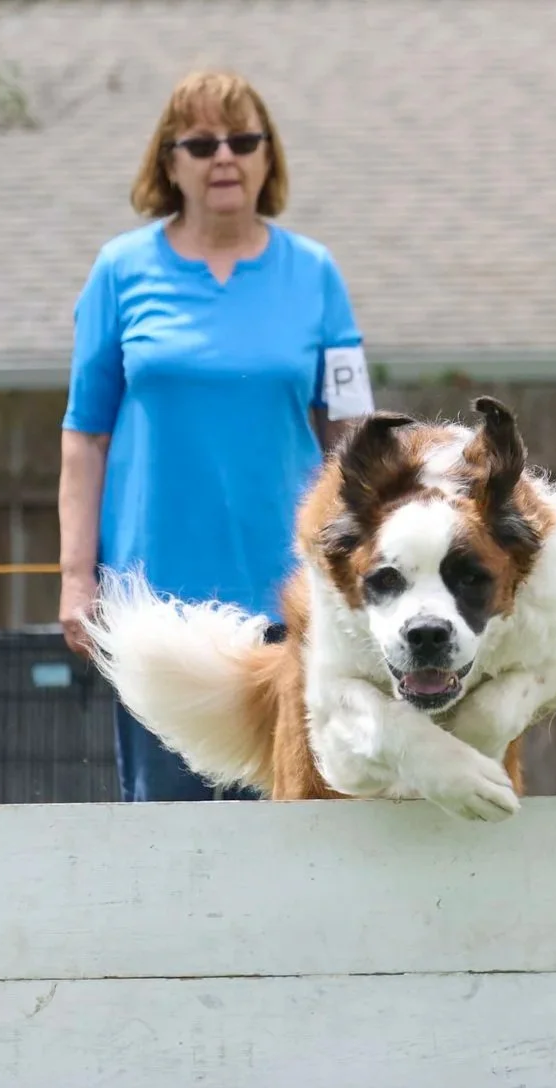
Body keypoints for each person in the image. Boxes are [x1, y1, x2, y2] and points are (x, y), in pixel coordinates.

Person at [57, 69, 376, 804]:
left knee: (295, 818)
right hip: (155, 607)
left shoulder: (314, 272)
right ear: (168, 164)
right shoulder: (120, 270)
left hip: (287, 596)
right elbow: (85, 436)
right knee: (167, 827)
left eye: (242, 140)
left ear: (269, 157)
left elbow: (352, 431)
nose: (223, 157)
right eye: (199, 143)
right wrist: (77, 578)